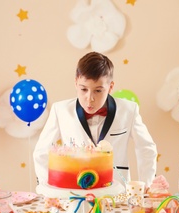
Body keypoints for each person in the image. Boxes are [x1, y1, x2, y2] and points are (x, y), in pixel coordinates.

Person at [33, 52, 157, 188]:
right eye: (83, 89)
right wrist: (47, 189)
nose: (90, 98)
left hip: (117, 193)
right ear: (75, 83)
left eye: (98, 91)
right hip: (74, 193)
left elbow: (146, 148)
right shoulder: (60, 110)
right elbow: (41, 153)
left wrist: (146, 186)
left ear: (110, 87)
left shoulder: (129, 110)